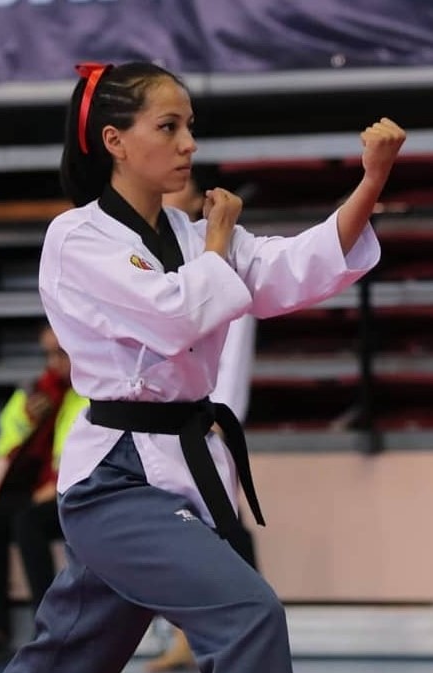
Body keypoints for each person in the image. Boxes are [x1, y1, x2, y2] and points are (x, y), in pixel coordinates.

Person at [2, 61, 404, 673]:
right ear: (115, 141)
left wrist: (371, 180)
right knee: (250, 615)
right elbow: (172, 319)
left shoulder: (193, 235)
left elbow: (298, 266)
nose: (188, 143)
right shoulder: (78, 237)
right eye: (168, 127)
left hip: (180, 468)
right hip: (115, 479)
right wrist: (217, 244)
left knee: (69, 656)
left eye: (190, 126)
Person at [145, 170, 260, 672]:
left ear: (196, 201)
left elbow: (234, 346)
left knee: (217, 525)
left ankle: (235, 633)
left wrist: (220, 411)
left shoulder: (220, 255)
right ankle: (187, 636)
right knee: (178, 527)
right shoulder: (144, 254)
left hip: (204, 415)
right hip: (161, 416)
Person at [0, 325, 88, 665]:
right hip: (36, 491)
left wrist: (58, 485)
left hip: (80, 491)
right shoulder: (35, 393)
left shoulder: (95, 392)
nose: (53, 362)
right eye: (48, 354)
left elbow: (96, 452)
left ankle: (48, 628)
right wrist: (28, 420)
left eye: (61, 353)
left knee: (28, 523)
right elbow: (6, 446)